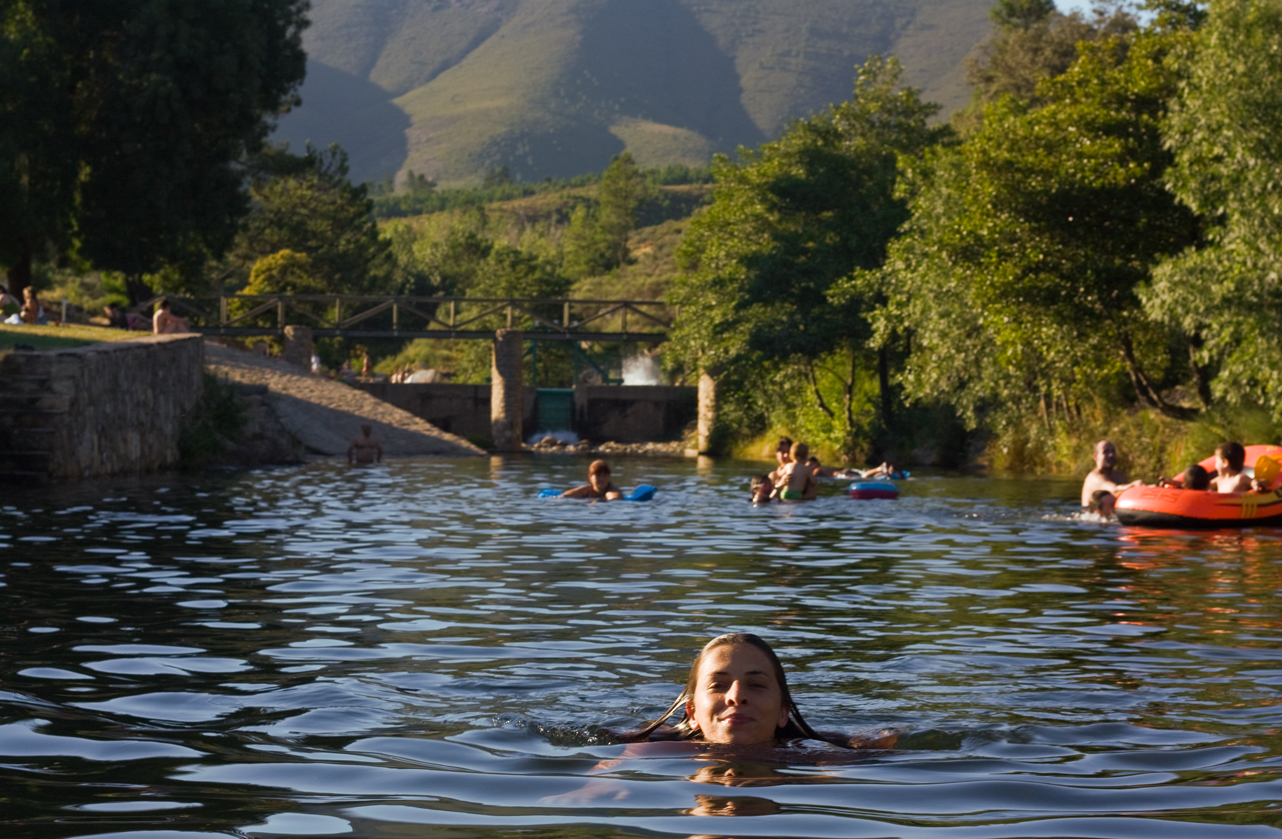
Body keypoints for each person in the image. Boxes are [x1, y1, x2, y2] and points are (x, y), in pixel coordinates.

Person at [614, 633, 896, 749]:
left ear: (783, 713)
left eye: (757, 684)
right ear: (692, 712)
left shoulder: (818, 757)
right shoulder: (654, 750)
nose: (736, 696)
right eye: (718, 685)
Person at [1081, 440, 1142, 517]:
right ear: (1096, 457)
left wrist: (1155, 487)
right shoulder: (1094, 478)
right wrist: (1134, 485)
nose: (1111, 455)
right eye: (1105, 452)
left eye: (1113, 451)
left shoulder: (1119, 475)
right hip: (1094, 522)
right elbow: (1115, 490)